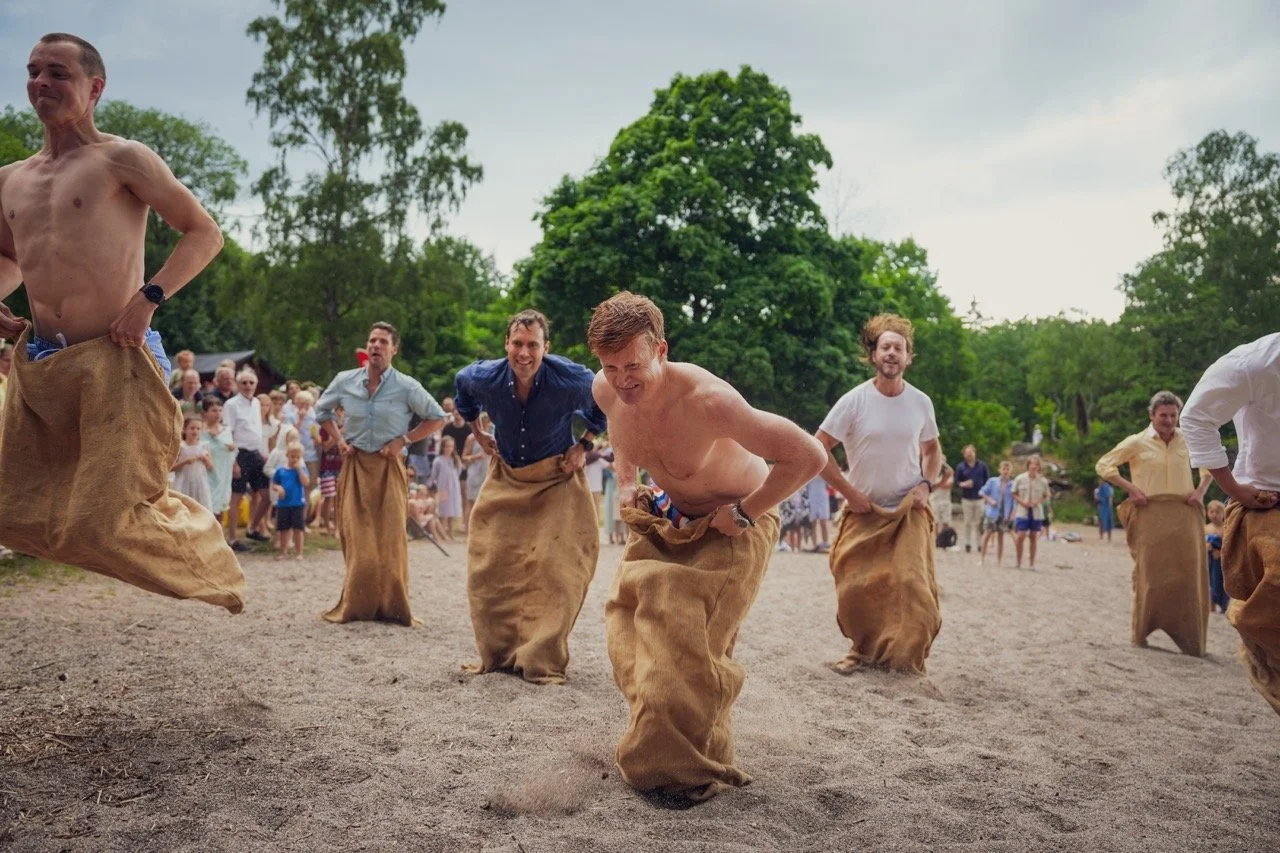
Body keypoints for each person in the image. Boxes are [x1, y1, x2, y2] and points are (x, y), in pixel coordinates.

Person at [0, 34, 241, 611]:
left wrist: (148, 298)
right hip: (42, 364)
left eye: (57, 73)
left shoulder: (122, 158)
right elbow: (10, 258)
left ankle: (205, 544)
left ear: (94, 88)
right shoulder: (9, 178)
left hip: (118, 354)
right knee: (9, 506)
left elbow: (205, 232)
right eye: (33, 72)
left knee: (107, 520)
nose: (40, 84)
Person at [588, 291, 824, 805]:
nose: (622, 379)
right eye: (610, 368)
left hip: (738, 521)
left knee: (691, 649)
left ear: (662, 351)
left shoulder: (709, 400)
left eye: (634, 366)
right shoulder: (606, 392)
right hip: (672, 520)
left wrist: (745, 512)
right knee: (628, 623)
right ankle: (672, 746)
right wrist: (627, 484)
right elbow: (621, 437)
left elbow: (808, 455)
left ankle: (685, 770)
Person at [454, 309, 606, 684]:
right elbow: (463, 386)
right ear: (507, 344)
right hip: (506, 475)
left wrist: (583, 445)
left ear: (545, 347)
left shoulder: (570, 379)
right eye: (517, 344)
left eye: (533, 345)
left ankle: (542, 656)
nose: (524, 353)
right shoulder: (485, 376)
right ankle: (499, 653)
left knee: (556, 571)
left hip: (556, 479)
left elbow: (604, 399)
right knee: (488, 568)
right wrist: (476, 430)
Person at [816, 312, 943, 675]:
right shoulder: (853, 401)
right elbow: (818, 447)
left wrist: (925, 484)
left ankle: (906, 661)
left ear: (907, 357)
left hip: (908, 510)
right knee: (854, 590)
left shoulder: (921, 402)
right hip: (864, 508)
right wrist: (848, 491)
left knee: (912, 585)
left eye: (898, 348)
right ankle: (861, 651)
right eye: (885, 347)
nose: (891, 353)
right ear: (873, 355)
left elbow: (933, 450)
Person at [314, 322, 445, 625]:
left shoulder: (406, 385)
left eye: (383, 342)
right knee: (357, 538)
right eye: (372, 340)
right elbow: (322, 411)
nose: (376, 346)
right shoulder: (345, 380)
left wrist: (404, 440)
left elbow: (437, 417)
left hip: (389, 466)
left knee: (390, 538)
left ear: (394, 349)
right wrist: (340, 440)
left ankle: (393, 607)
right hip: (356, 465)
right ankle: (357, 607)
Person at [1181, 333, 1280, 713]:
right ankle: (1256, 639)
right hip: (1266, 499)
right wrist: (1235, 489)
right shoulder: (1253, 363)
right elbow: (1196, 417)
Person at [1097, 390, 1212, 655]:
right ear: (1152, 415)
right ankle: (1141, 632)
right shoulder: (1137, 442)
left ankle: (1191, 640)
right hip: (1150, 513)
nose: (1169, 421)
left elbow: (1209, 463)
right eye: (1163, 416)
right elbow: (1104, 465)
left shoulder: (1189, 439)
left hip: (1185, 512)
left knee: (1189, 575)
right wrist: (1131, 488)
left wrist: (1201, 491)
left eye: (1173, 415)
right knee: (1149, 574)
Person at [223, 368, 270, 551]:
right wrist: (233, 461)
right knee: (237, 497)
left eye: (251, 382)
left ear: (256, 384)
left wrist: (262, 452)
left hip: (256, 453)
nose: (248, 386)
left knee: (265, 495)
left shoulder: (257, 402)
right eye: (244, 382)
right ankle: (233, 539)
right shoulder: (231, 405)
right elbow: (228, 432)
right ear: (237, 384)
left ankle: (252, 528)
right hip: (239, 454)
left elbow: (256, 428)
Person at [201, 398, 237, 538]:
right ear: (205, 413)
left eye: (219, 410)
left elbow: (231, 449)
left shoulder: (226, 429)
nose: (217, 413)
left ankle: (219, 537)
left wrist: (233, 452)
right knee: (207, 504)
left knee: (222, 504)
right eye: (213, 410)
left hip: (224, 471)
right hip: (206, 472)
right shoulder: (200, 430)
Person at [271, 443, 309, 561]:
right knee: (283, 529)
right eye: (292, 456)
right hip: (283, 504)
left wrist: (299, 470)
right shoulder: (281, 470)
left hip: (297, 503)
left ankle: (299, 552)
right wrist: (278, 488)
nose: (295, 459)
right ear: (287, 455)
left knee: (298, 529)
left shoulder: (301, 469)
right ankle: (283, 551)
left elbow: (305, 482)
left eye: (298, 457)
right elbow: (274, 483)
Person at [1012, 455, 1050, 569]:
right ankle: (1018, 561)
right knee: (1021, 535)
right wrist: (1021, 501)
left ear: (1039, 467)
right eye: (1031, 464)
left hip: (1036, 511)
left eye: (1036, 464)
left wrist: (1038, 502)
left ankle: (1031, 563)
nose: (1033, 466)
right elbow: (1014, 492)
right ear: (1028, 465)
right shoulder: (1020, 478)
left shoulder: (1043, 481)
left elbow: (1046, 495)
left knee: (1033, 536)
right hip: (1022, 510)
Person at [171, 416, 213, 510]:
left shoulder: (204, 446)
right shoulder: (180, 446)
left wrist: (205, 459)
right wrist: (184, 462)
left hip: (199, 481)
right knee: (183, 507)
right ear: (185, 429)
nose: (195, 431)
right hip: (183, 481)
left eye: (198, 429)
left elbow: (210, 467)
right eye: (192, 428)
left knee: (201, 507)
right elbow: (171, 468)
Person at [954, 444, 990, 554]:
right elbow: (956, 482)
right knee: (967, 522)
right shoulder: (960, 467)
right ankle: (967, 543)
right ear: (964, 455)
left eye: (971, 452)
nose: (969, 455)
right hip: (966, 498)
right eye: (967, 453)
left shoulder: (982, 466)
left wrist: (986, 494)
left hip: (979, 498)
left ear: (975, 453)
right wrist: (963, 484)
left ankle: (979, 543)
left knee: (979, 522)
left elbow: (987, 480)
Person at [979, 460, 1016, 566]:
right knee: (987, 535)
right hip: (992, 512)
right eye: (1004, 469)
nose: (1005, 471)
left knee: (1001, 537)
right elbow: (982, 491)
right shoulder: (992, 481)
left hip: (1004, 513)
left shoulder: (1012, 484)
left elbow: (1014, 501)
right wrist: (990, 500)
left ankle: (999, 561)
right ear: (1000, 470)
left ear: (1010, 471)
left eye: (1007, 469)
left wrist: (1012, 513)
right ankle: (982, 559)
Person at [460, 412, 492, 532]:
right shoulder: (471, 438)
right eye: (482, 423)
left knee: (486, 501)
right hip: (474, 472)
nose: (484, 425)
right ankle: (468, 528)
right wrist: (475, 457)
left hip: (486, 472)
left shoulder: (492, 437)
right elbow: (464, 457)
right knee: (471, 501)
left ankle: (482, 529)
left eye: (486, 423)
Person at [430, 434, 463, 541]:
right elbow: (434, 475)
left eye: (451, 446)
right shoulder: (438, 460)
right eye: (447, 446)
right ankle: (443, 534)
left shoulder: (455, 459)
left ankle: (451, 533)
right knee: (444, 511)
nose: (449, 449)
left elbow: (458, 472)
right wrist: (435, 486)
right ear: (443, 447)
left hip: (454, 488)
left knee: (452, 511)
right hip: (443, 488)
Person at [1204, 500, 1229, 615]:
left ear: (1223, 513)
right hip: (1209, 559)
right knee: (1210, 583)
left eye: (1218, 512)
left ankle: (1224, 605)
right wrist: (1207, 547)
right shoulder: (1206, 528)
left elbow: (1229, 544)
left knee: (1222, 582)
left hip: (1223, 560)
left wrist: (1220, 551)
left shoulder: (1226, 527)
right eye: (1211, 512)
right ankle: (1212, 607)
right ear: (1207, 513)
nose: (1214, 514)